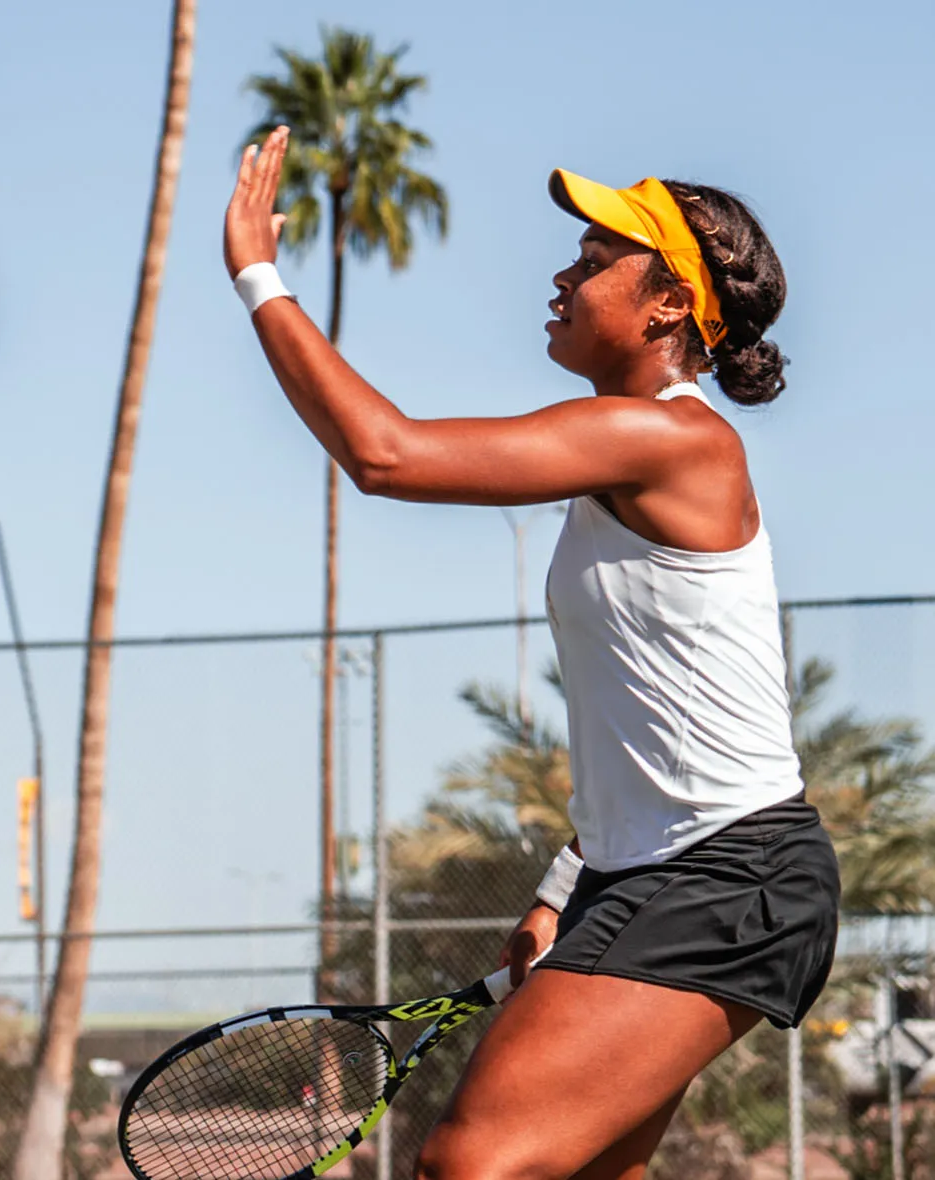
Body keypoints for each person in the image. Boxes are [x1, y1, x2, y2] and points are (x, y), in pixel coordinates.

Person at [224, 128, 839, 1179]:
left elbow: (386, 452)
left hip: (732, 878)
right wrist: (569, 879)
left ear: (668, 307)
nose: (564, 272)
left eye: (598, 261)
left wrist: (255, 271)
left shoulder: (675, 440)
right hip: (647, 875)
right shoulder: (630, 450)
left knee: (467, 1164)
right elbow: (651, 718)